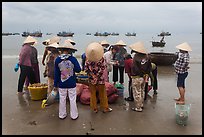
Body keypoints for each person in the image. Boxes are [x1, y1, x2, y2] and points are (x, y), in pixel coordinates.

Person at [54, 41, 81, 120]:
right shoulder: (73, 59)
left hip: (61, 83)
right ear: (70, 50)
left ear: (62, 50)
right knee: (72, 99)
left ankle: (62, 115)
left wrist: (55, 84)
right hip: (71, 83)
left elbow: (56, 74)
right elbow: (78, 70)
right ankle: (74, 115)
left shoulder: (57, 60)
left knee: (62, 99)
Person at [84, 42, 112, 113]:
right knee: (102, 93)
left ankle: (94, 108)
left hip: (91, 79)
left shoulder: (87, 60)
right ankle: (105, 108)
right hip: (100, 79)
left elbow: (86, 69)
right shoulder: (101, 59)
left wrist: (93, 76)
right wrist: (97, 77)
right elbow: (102, 69)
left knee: (93, 94)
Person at [129, 41, 151, 112]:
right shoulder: (147, 57)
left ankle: (138, 107)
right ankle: (141, 104)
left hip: (137, 77)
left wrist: (137, 74)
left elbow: (134, 67)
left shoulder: (136, 57)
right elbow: (149, 67)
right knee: (142, 91)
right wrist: (145, 74)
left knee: (136, 92)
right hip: (144, 77)